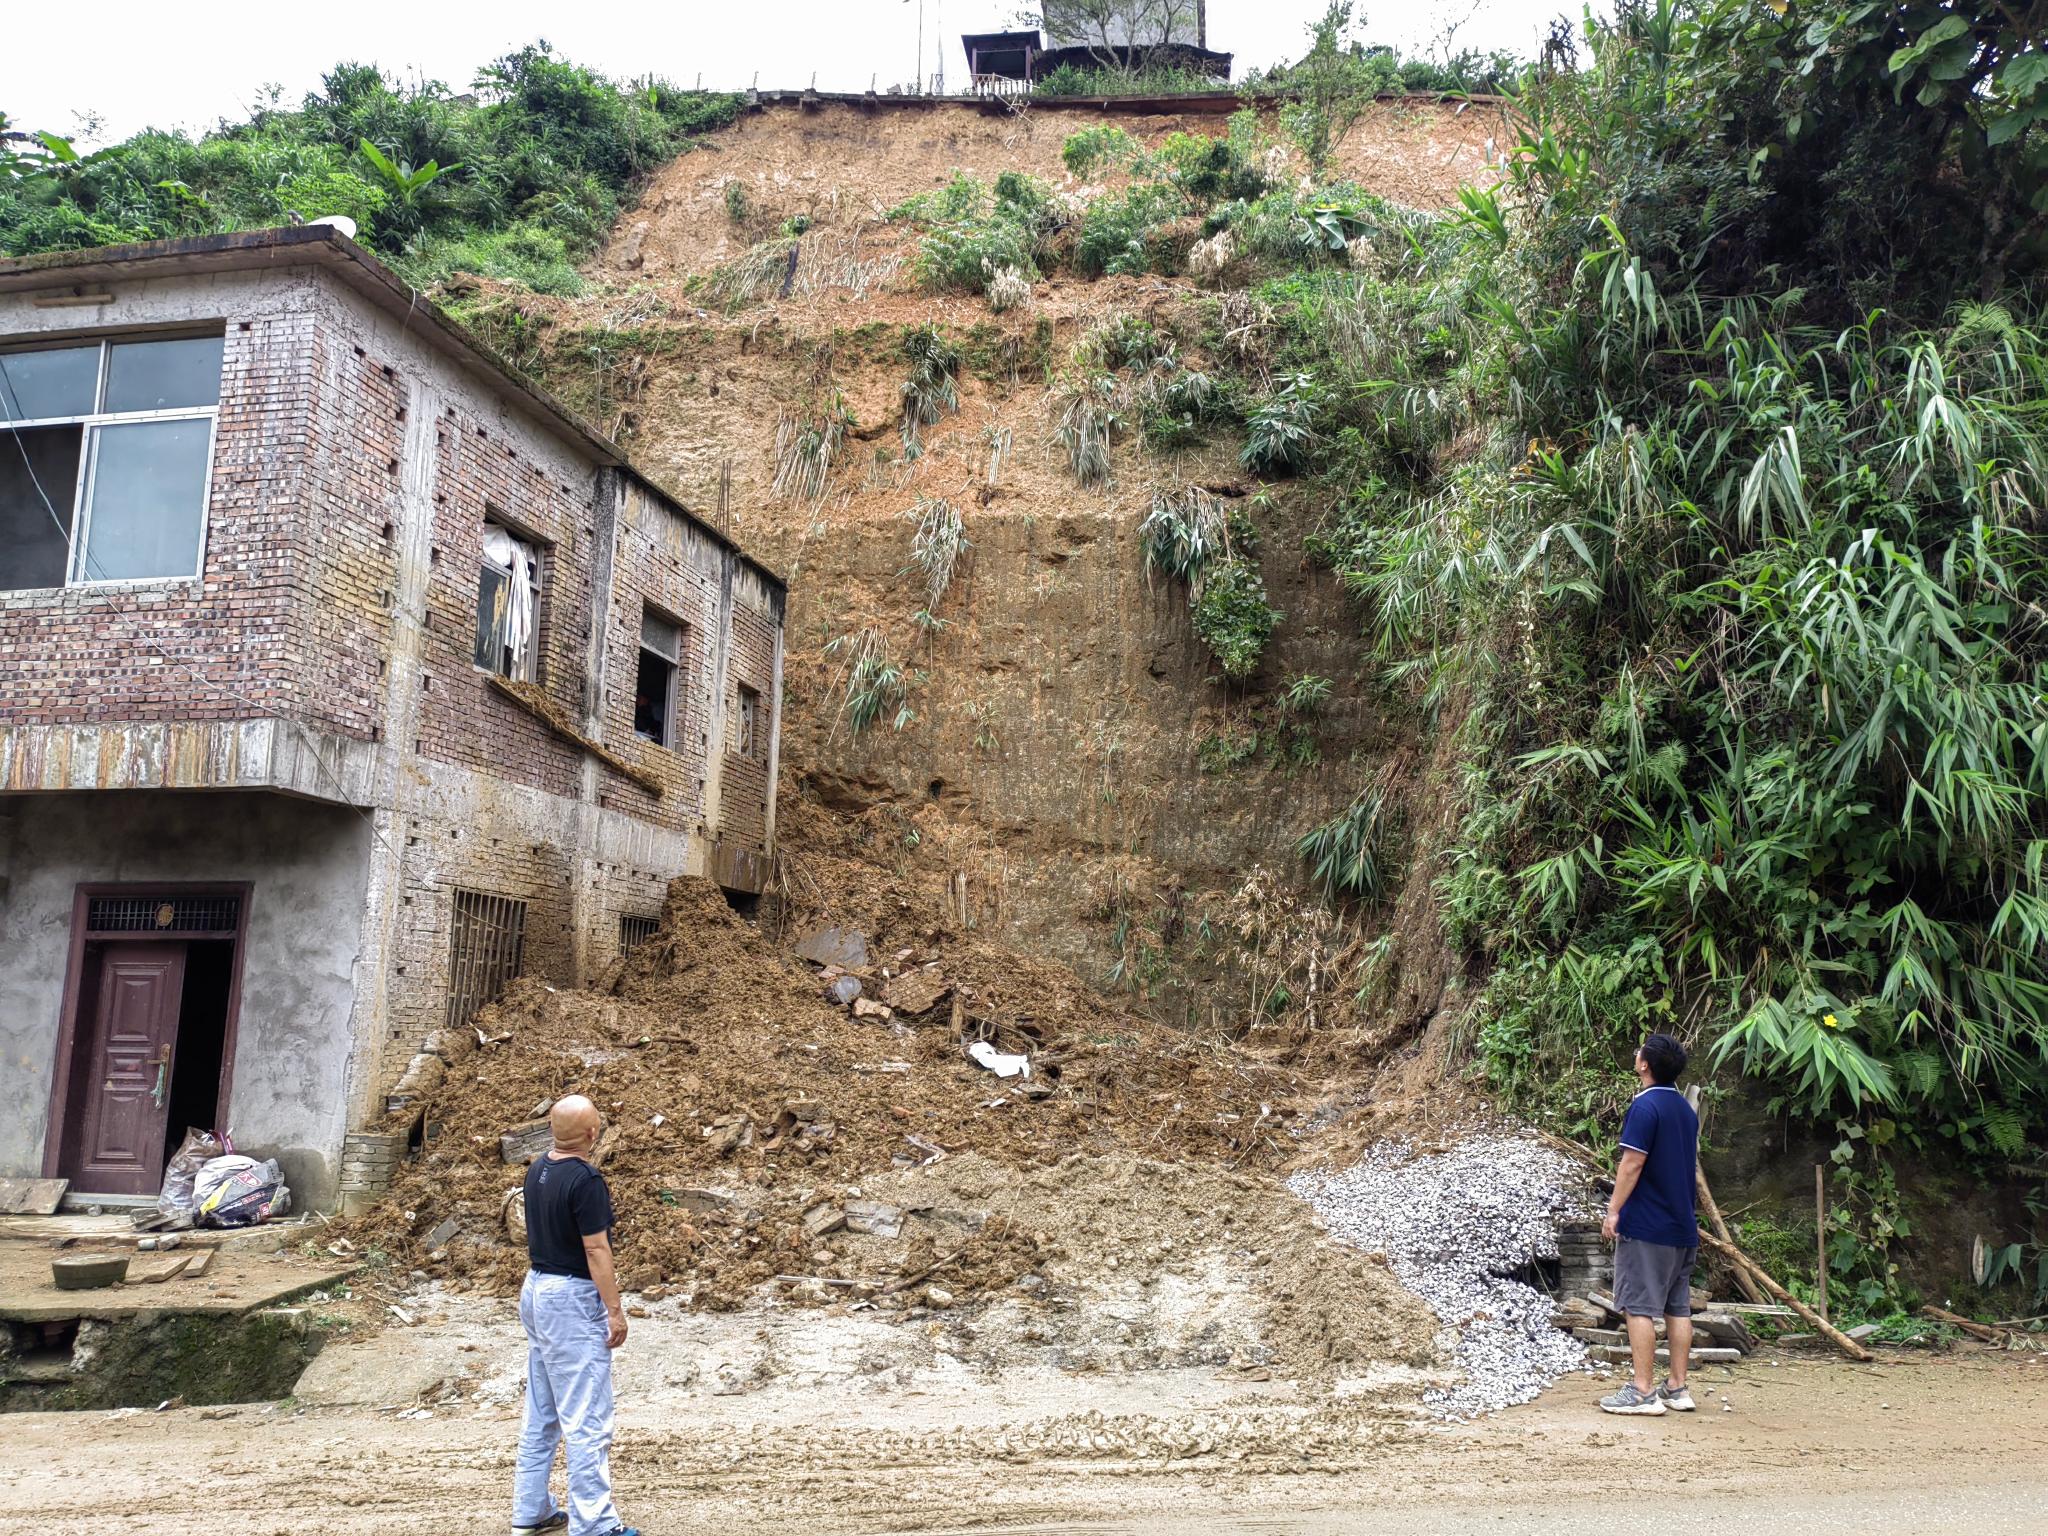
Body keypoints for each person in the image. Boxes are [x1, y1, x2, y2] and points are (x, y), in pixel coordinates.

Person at [511, 1095, 638, 1536]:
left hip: (537, 1289)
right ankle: (596, 1524)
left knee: (543, 1410)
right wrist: (615, 1310)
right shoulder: (586, 1179)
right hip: (571, 1298)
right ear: (591, 1133)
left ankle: (531, 1510)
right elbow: (595, 1247)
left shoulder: (537, 1169)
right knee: (586, 1417)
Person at [1598, 1032, 1700, 1416]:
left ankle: (1642, 1392)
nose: (1636, 1052)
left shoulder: (1645, 1108)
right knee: (1678, 1307)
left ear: (1645, 1065)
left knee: (1638, 1306)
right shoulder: (1684, 1110)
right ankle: (1677, 1387)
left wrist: (1613, 1211)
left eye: (1639, 1050)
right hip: (1682, 1225)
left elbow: (1632, 1163)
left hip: (1648, 1225)